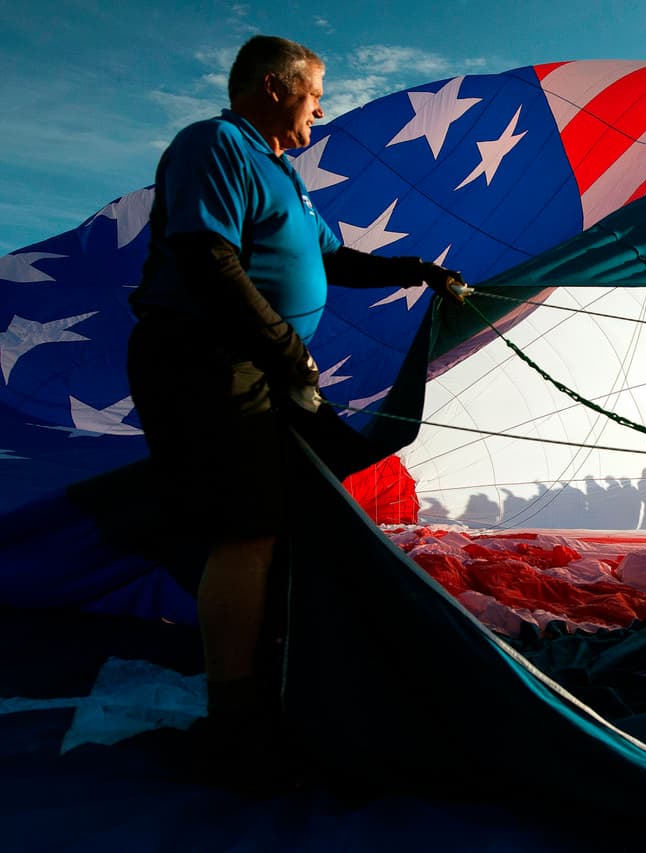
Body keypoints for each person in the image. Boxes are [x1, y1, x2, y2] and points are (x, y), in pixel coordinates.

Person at [126, 35, 468, 771]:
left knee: (314, 491)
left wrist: (415, 270)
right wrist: (286, 351)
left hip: (259, 366)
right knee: (246, 530)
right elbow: (206, 256)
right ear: (276, 88)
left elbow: (332, 259)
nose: (324, 106)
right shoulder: (216, 144)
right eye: (317, 91)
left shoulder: (286, 175)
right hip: (206, 360)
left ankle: (281, 661)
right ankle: (235, 719)